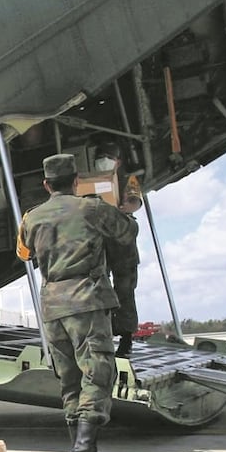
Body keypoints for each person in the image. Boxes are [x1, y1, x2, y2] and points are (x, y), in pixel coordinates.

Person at [16, 154, 138, 452]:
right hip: (86, 300)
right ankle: (84, 449)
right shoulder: (90, 209)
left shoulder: (32, 218)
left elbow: (23, 252)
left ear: (45, 184)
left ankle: (85, 450)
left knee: (69, 379)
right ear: (75, 181)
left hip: (52, 307)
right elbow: (128, 230)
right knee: (97, 372)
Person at [92, 139, 143, 357]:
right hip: (100, 239)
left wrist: (123, 208)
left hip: (122, 241)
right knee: (98, 288)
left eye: (108, 159)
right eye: (100, 159)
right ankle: (103, 334)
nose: (103, 163)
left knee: (125, 289)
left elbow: (135, 201)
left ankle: (126, 338)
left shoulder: (127, 180)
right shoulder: (92, 181)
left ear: (118, 161)